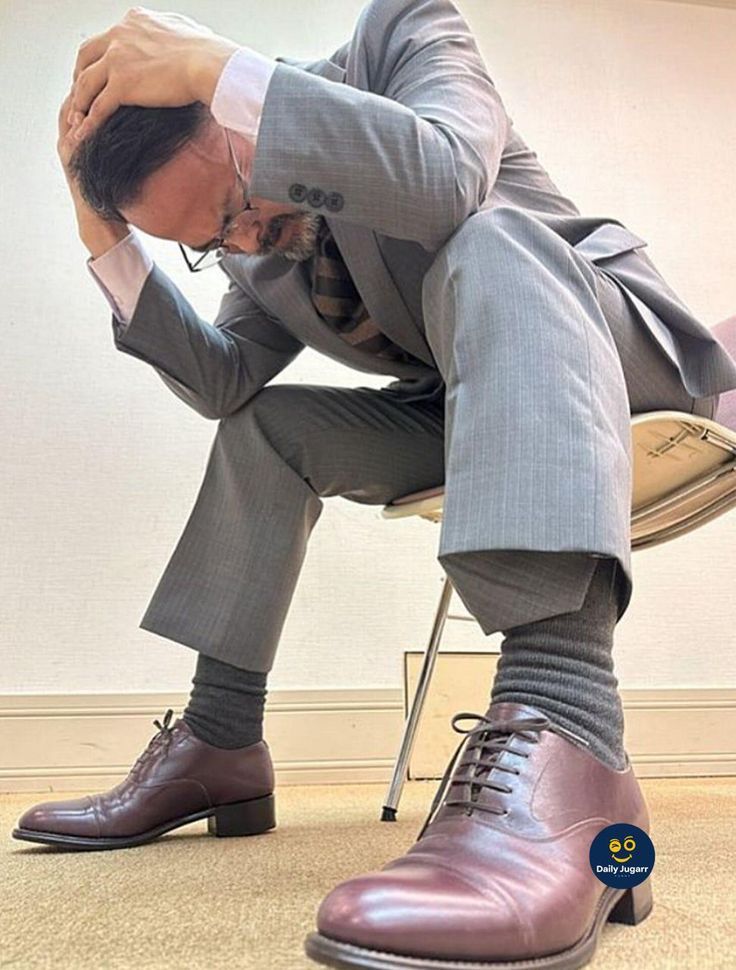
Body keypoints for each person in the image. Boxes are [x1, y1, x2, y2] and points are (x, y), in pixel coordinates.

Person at [13, 1, 736, 966]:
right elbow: (224, 377)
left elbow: (448, 185)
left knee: (492, 237)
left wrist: (219, 67)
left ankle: (568, 714)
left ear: (233, 111)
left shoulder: (401, 37)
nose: (245, 240)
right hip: (470, 401)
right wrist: (104, 233)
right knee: (267, 425)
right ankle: (222, 741)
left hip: (609, 349)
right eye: (210, 243)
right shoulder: (261, 251)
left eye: (233, 208)